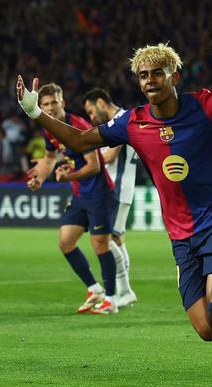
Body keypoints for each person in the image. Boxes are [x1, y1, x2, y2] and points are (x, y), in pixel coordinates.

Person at [17, 39, 212, 387]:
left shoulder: (205, 105)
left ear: (175, 76)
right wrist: (34, 112)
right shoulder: (133, 121)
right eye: (143, 75)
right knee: (206, 329)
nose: (150, 80)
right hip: (180, 234)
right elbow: (78, 139)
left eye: (158, 73)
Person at [27, 82, 119, 315]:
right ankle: (94, 290)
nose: (50, 108)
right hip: (80, 195)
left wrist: (68, 177)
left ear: (63, 102)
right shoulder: (49, 129)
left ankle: (111, 299)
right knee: (65, 241)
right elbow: (49, 158)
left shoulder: (78, 126)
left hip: (99, 194)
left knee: (100, 245)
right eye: (45, 104)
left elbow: (94, 165)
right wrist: (40, 179)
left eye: (54, 102)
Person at [83, 88, 138, 308]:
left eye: (91, 111)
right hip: (121, 188)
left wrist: (84, 162)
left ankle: (124, 290)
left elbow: (111, 155)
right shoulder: (121, 119)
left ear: (100, 102)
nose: (91, 117)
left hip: (118, 188)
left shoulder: (120, 119)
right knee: (116, 238)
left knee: (107, 240)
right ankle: (124, 290)